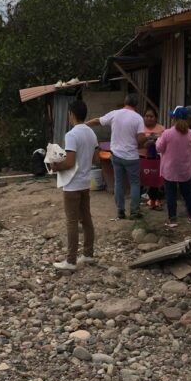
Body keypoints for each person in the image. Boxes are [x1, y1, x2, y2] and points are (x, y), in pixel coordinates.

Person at [50, 100, 100, 271]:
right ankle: (88, 254)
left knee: (71, 221)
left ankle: (70, 261)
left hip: (72, 185)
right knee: (86, 219)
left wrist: (55, 165)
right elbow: (95, 159)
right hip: (85, 182)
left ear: (71, 114)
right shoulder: (91, 133)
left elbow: (69, 163)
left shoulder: (71, 135)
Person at [86, 94, 146, 219]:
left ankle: (120, 211)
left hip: (116, 155)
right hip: (131, 157)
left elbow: (98, 121)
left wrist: (84, 124)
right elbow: (141, 139)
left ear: (125, 102)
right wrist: (143, 141)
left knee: (118, 182)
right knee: (134, 183)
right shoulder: (138, 118)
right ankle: (134, 212)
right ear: (136, 105)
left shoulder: (115, 113)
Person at [155, 106, 191, 227]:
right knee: (188, 194)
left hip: (169, 170)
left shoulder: (167, 133)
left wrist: (158, 139)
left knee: (171, 195)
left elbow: (159, 148)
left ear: (174, 119)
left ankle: (172, 220)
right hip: (185, 170)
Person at [139, 107, 165, 210]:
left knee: (154, 181)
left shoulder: (162, 129)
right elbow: (134, 142)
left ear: (156, 118)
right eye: (147, 116)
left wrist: (155, 143)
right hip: (141, 157)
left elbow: (164, 143)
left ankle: (154, 202)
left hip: (155, 158)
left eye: (151, 116)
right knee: (140, 181)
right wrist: (145, 144)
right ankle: (137, 204)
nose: (149, 118)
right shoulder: (139, 128)